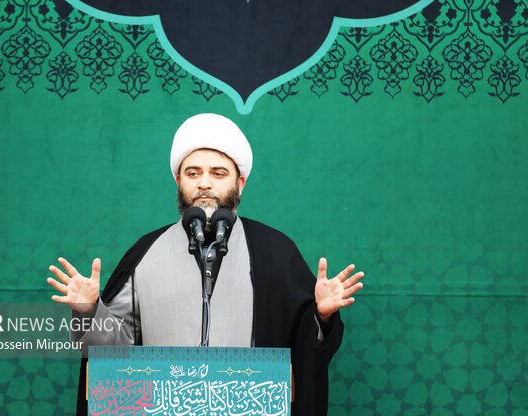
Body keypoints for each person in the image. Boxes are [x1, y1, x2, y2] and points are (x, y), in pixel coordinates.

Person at [47, 113, 364, 416]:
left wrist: (321, 316)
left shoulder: (276, 252)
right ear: (178, 180)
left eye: (218, 173)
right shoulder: (145, 253)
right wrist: (89, 312)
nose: (204, 183)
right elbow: (111, 353)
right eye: (193, 173)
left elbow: (307, 353)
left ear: (240, 183)